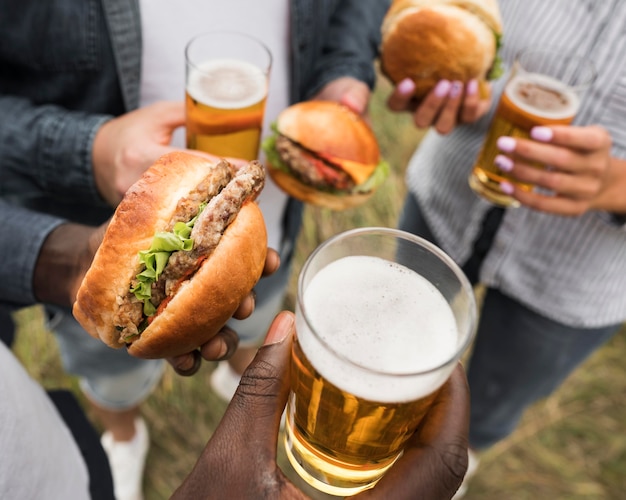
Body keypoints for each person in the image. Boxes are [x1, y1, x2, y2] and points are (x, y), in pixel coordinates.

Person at [0, 1, 390, 497]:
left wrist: (342, 71)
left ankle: (232, 375)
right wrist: (87, 149)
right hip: (86, 230)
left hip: (264, 219)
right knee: (110, 372)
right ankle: (124, 434)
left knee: (255, 311)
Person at [386, 0, 626, 495]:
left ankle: (448, 469)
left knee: (489, 406)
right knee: (393, 344)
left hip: (580, 279)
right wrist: (459, 89)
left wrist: (615, 185)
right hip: (446, 198)